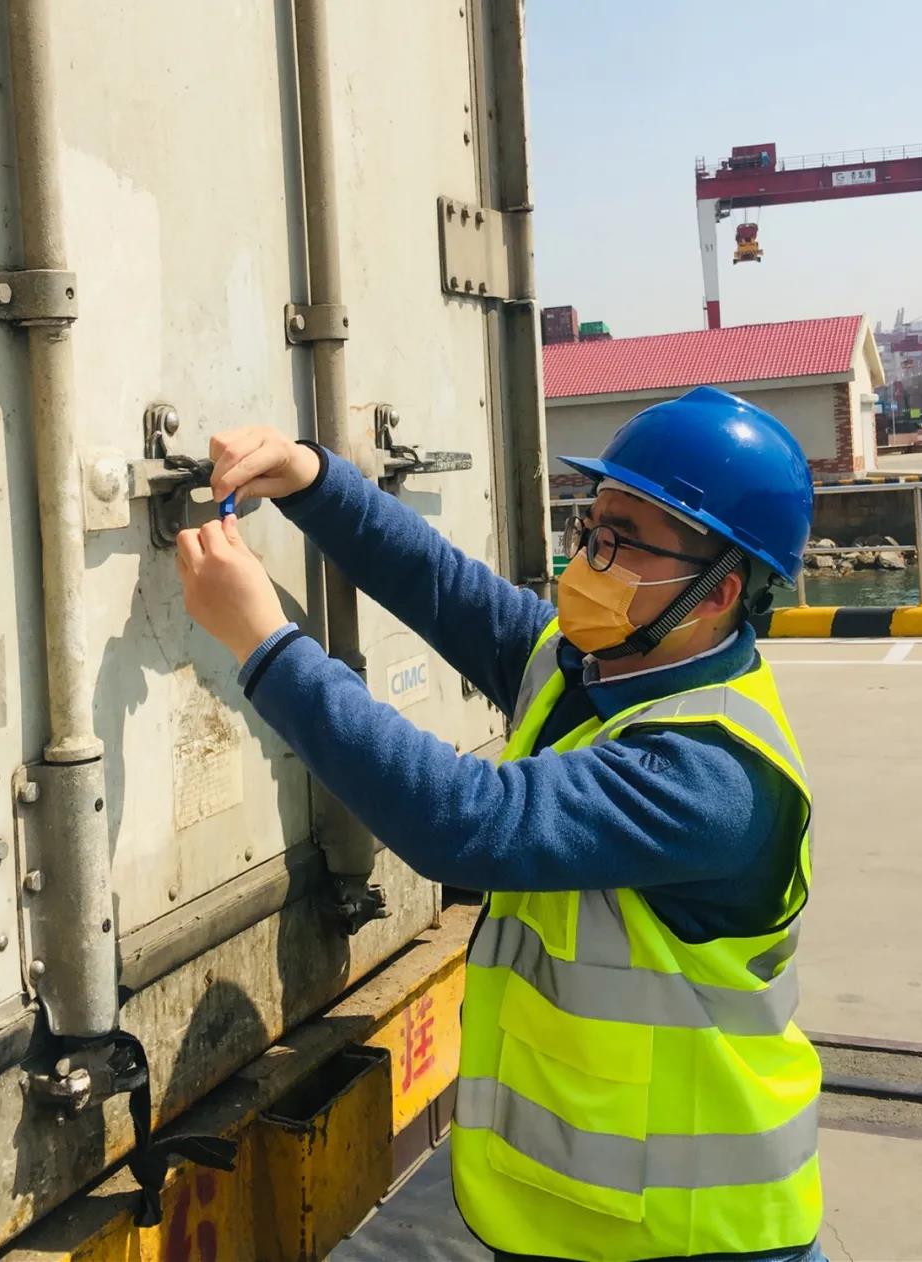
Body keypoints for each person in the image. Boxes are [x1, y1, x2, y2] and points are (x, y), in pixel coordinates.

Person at [175, 385, 826, 1262]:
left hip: (700, 1238)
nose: (588, 561)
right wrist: (308, 477)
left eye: (622, 540)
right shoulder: (591, 665)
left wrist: (266, 644)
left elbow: (467, 822)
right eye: (590, 528)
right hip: (587, 1221)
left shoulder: (712, 775)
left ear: (718, 593)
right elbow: (442, 587)